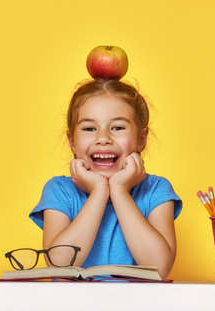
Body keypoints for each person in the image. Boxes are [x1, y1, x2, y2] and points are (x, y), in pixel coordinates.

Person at [29, 77, 182, 279]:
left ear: (141, 139)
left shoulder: (156, 190)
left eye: (117, 128)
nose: (103, 138)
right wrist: (99, 192)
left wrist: (119, 191)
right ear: (72, 142)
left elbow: (159, 268)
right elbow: (59, 264)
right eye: (89, 129)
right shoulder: (59, 190)